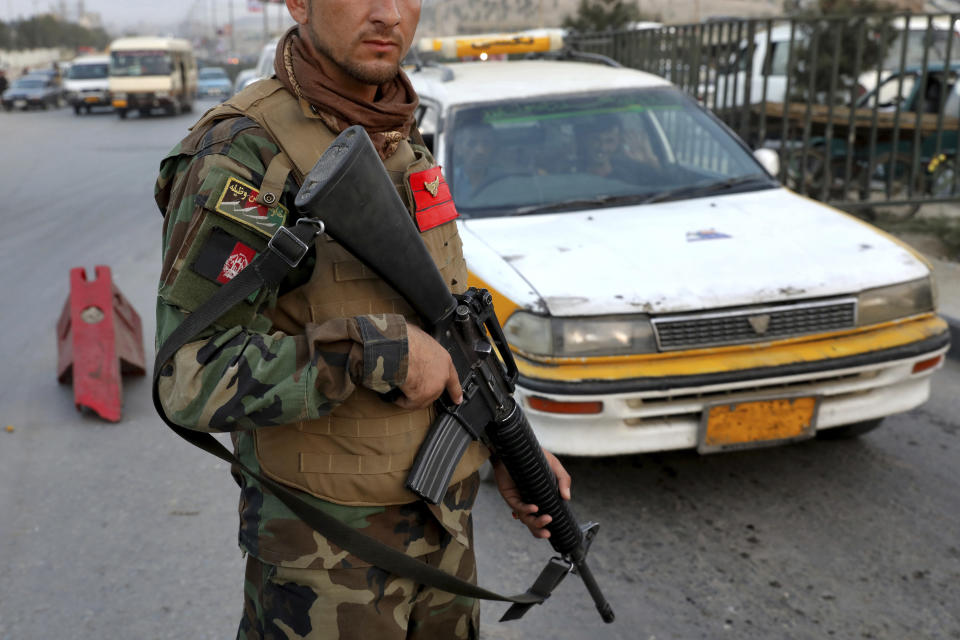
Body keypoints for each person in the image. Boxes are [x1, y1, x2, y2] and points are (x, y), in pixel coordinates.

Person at [152, 1, 572, 638]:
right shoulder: (244, 152)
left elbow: (452, 326)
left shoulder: (402, 134)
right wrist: (376, 351)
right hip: (326, 560)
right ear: (298, 3)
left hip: (445, 537)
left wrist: (505, 439)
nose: (387, 13)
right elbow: (187, 376)